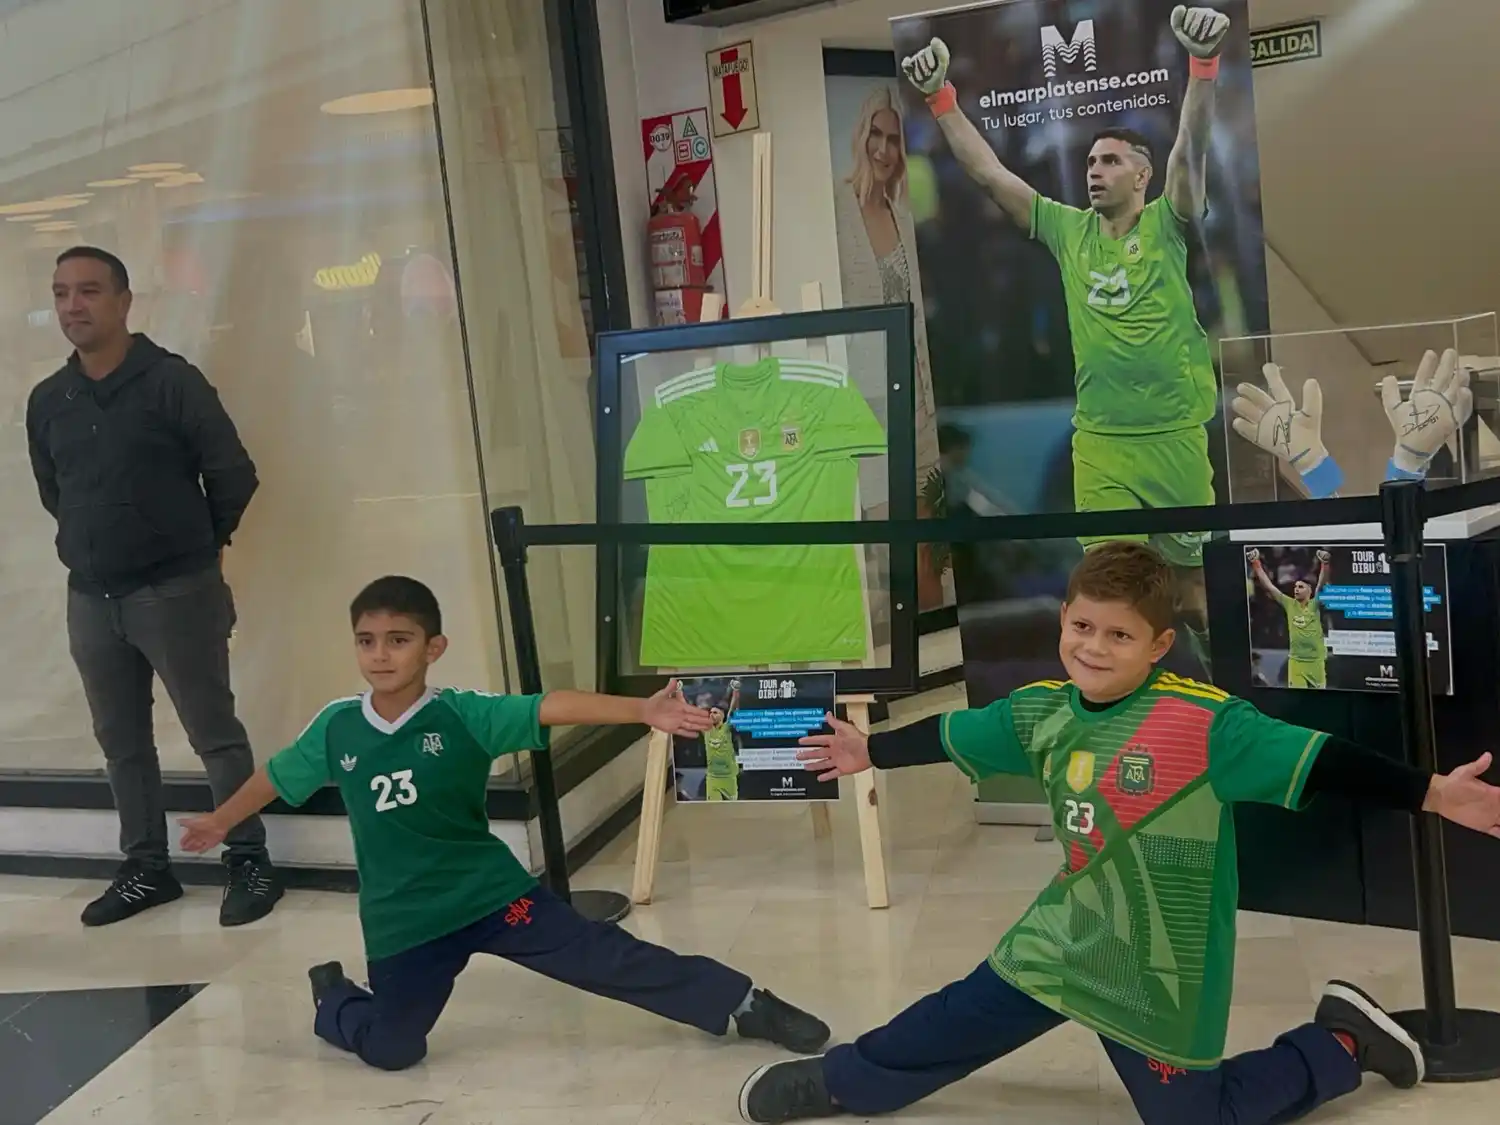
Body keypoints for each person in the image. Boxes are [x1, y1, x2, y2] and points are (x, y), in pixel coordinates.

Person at [738, 541, 1500, 1125]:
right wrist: (870, 749)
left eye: (1120, 635)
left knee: (1199, 1117)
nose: (1093, 647)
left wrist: (1431, 791)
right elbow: (953, 732)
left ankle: (1340, 1042)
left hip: (1156, 969)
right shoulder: (1042, 711)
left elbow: (1325, 760)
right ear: (1062, 621)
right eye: (1081, 626)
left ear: (1159, 645)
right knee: (947, 1020)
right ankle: (842, 1080)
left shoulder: (1207, 725)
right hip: (1066, 939)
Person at [178, 576, 830, 1072]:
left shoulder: (463, 713)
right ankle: (333, 999)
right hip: (405, 919)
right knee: (395, 1049)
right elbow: (275, 775)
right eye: (367, 640)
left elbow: (549, 705)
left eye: (398, 640)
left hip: (493, 897)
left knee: (607, 956)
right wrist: (222, 820)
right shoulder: (337, 725)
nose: (380, 655)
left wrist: (643, 711)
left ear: (433, 647)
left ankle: (743, 1003)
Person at [900, 7, 1234, 670]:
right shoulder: (1067, 230)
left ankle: (1225, 696)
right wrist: (942, 102)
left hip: (1173, 437)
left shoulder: (1169, 222)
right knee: (1111, 593)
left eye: (1111, 160)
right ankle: (1133, 710)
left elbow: (1189, 151)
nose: (1095, 168)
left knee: (1192, 591)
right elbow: (990, 174)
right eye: (1090, 160)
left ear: (1142, 175)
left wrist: (1202, 70)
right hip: (1102, 445)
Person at [25, 245, 278, 928]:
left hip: (175, 590)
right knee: (121, 740)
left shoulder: (172, 382)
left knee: (213, 734)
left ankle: (248, 857)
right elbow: (58, 491)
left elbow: (233, 474)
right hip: (91, 597)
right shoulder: (50, 400)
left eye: (89, 291)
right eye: (61, 294)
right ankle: (146, 867)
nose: (73, 306)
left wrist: (195, 546)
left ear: (124, 301)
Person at [1249, 548, 1330, 689]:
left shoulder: (1314, 604)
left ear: (1309, 590)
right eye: (1295, 587)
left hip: (1316, 661)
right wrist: (1256, 563)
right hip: (1296, 662)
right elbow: (1269, 586)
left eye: (1301, 587)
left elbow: (1322, 584)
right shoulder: (1289, 604)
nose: (1296, 589)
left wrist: (1325, 563)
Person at [703, 679, 742, 801]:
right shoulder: (706, 730)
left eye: (715, 712)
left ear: (722, 716)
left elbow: (734, 708)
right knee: (714, 810)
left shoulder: (726, 728)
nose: (711, 715)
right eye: (710, 713)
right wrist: (678, 692)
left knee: (731, 812)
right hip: (713, 777)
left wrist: (736, 690)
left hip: (729, 777)